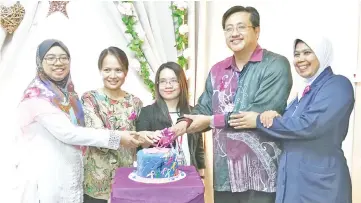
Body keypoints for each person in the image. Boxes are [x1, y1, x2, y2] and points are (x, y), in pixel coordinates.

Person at [172, 6, 292, 203]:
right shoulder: (217, 70)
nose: (234, 33)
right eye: (228, 29)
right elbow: (203, 108)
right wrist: (182, 123)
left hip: (262, 175)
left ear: (257, 30)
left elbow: (256, 115)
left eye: (241, 27)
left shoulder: (276, 65)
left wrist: (210, 120)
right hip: (224, 174)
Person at [15, 39, 152, 203]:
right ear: (40, 61)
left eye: (63, 57)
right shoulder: (37, 97)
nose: (58, 62)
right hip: (48, 179)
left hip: (78, 176)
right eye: (50, 58)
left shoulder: (69, 95)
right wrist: (120, 137)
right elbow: (70, 133)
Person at [235, 36, 354, 203]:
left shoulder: (338, 85)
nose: (300, 59)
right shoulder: (303, 94)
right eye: (297, 54)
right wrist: (270, 115)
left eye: (307, 53)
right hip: (292, 183)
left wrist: (258, 121)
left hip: (321, 185)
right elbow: (285, 126)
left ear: (322, 54)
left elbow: (310, 125)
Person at [81, 47, 145, 203]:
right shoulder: (90, 99)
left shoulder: (135, 102)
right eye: (107, 70)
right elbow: (96, 135)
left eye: (118, 70)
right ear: (100, 71)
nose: (113, 75)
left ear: (126, 72)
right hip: (97, 184)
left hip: (127, 181)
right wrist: (123, 138)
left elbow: (140, 140)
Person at [136, 62, 205, 173]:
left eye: (173, 80)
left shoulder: (192, 112)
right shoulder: (146, 112)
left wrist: (201, 176)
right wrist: (152, 138)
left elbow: (198, 150)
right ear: (157, 84)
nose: (168, 86)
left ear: (182, 83)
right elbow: (141, 145)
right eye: (163, 81)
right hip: (159, 176)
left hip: (190, 175)